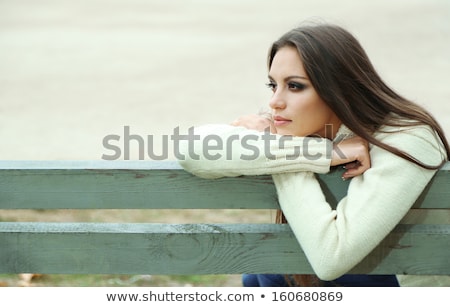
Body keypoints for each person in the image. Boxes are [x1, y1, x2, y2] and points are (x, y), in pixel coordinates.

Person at [177, 22, 449, 286]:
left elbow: (331, 259)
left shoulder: (409, 136)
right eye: (273, 85)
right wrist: (320, 153)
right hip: (333, 275)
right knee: (268, 272)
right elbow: (189, 147)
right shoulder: (305, 129)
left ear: (338, 88)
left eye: (294, 86)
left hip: (397, 285)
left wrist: (282, 154)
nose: (275, 101)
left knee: (270, 273)